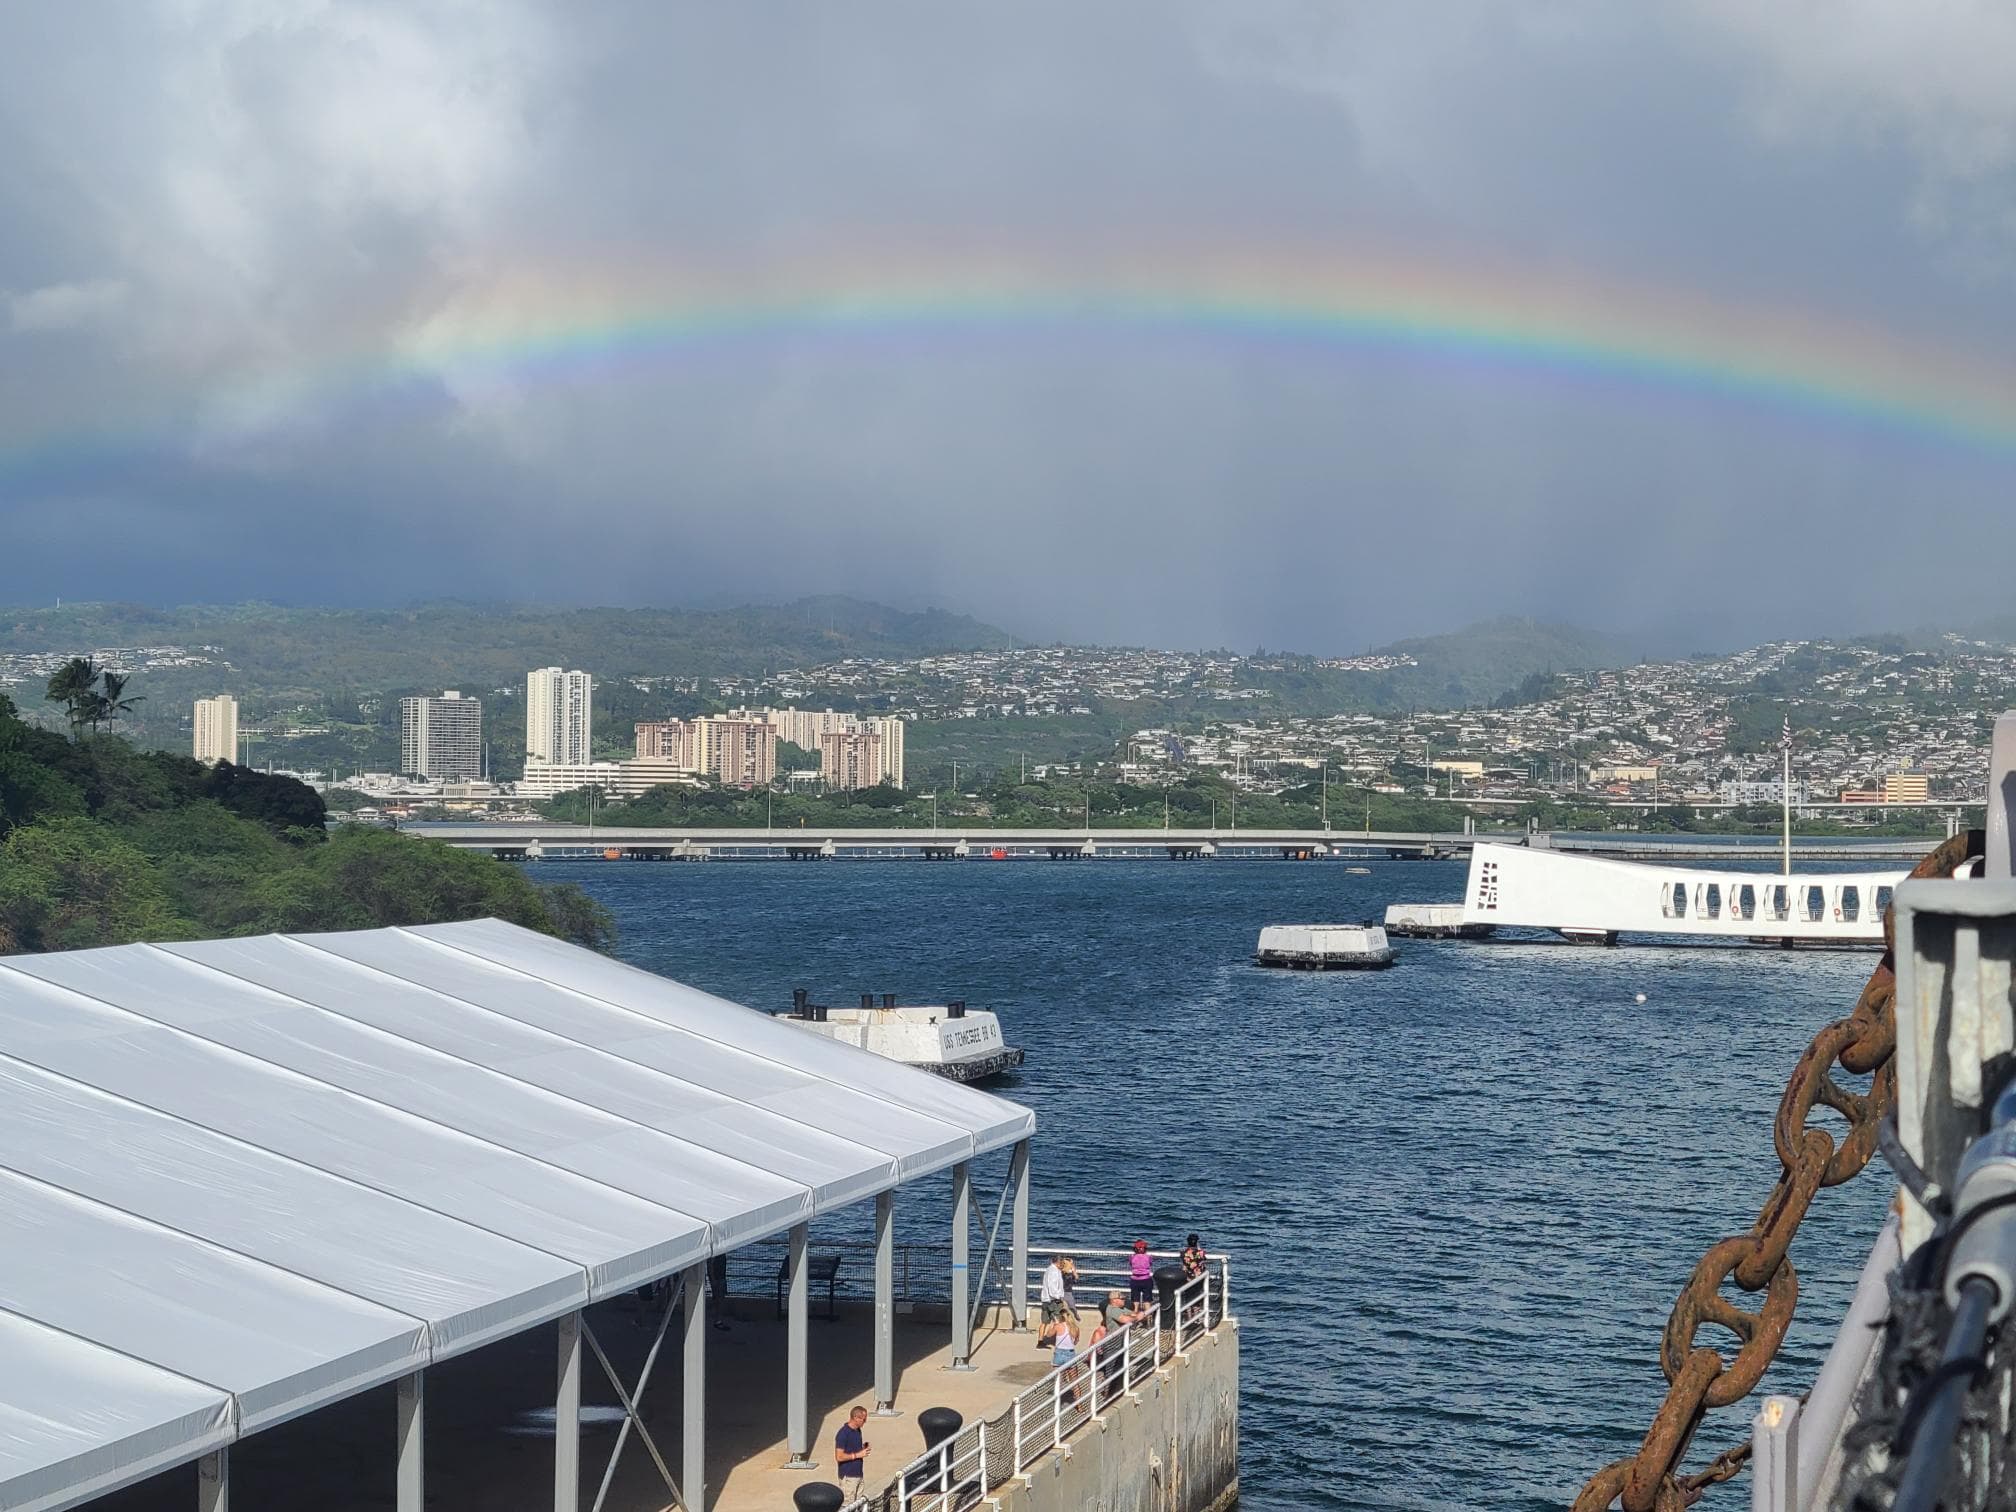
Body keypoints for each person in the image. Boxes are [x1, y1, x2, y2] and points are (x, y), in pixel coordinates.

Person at [835, 1405, 870, 1487]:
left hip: (859, 1474)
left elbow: (853, 1447)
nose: (865, 1421)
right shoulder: (843, 1434)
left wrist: (864, 1447)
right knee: (849, 1500)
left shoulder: (858, 1430)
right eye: (863, 1419)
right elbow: (839, 1457)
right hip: (848, 1477)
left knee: (860, 1500)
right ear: (855, 1418)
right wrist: (858, 1455)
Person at [1039, 1253, 1070, 1347]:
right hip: (1053, 1300)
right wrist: (1058, 1297)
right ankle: (1058, 1340)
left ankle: (1040, 1341)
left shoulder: (1049, 1269)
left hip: (1045, 1299)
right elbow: (1052, 1286)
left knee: (1044, 1321)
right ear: (1059, 1262)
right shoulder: (1054, 1272)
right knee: (1058, 1320)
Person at [1128, 1239, 1155, 1308]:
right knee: (1147, 1300)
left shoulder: (1132, 1256)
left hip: (1134, 1280)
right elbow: (1150, 1263)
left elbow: (1131, 1264)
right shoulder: (1148, 1257)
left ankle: (1135, 1314)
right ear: (1145, 1249)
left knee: (1135, 1300)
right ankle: (1148, 1316)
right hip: (1146, 1279)